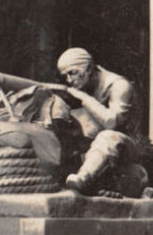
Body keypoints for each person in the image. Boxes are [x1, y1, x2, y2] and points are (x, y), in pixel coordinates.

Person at [47, 47, 145, 195]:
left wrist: (84, 98)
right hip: (98, 152)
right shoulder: (85, 87)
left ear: (89, 68)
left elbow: (113, 122)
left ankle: (83, 178)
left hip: (127, 148)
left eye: (73, 73)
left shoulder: (119, 85)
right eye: (65, 76)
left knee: (107, 136)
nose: (69, 80)